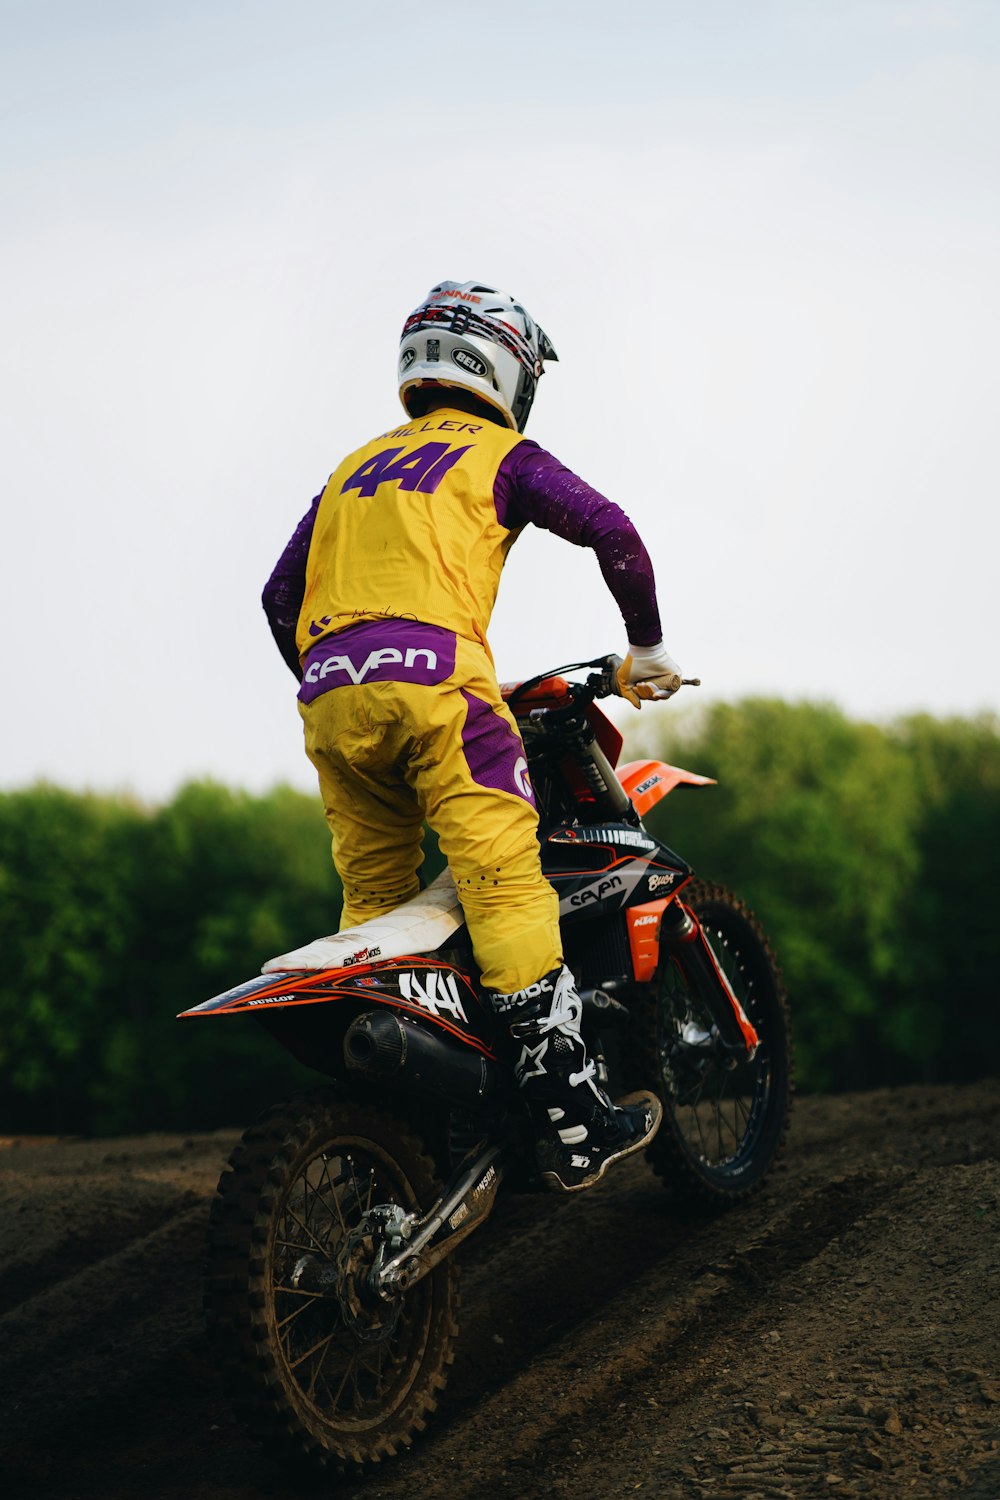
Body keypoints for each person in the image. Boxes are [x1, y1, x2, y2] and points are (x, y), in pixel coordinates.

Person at [262, 280, 684, 1193]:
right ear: (504, 370)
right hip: (445, 690)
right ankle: (573, 1117)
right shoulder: (501, 453)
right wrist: (645, 646)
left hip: (330, 698)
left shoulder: (352, 468)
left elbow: (277, 598)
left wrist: (338, 675)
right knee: (504, 882)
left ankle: (403, 1117)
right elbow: (613, 531)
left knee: (378, 904)